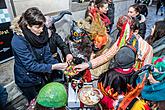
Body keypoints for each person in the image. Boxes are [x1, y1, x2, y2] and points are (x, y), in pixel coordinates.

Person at [11, 7, 68, 103]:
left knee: (44, 97)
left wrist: (60, 66)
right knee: (36, 103)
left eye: (42, 26)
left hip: (40, 75)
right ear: (28, 26)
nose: (41, 30)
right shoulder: (18, 41)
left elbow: (47, 55)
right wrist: (53, 67)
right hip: (27, 79)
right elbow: (30, 65)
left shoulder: (42, 33)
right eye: (38, 27)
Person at [74, 15, 153, 73]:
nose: (122, 35)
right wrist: (88, 65)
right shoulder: (123, 39)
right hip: (118, 76)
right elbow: (107, 55)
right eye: (121, 32)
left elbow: (144, 74)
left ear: (136, 31)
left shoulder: (147, 49)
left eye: (125, 32)